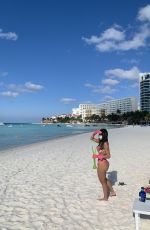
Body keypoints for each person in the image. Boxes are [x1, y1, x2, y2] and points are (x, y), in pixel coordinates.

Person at [90, 128, 116, 201]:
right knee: (104, 179)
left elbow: (109, 155)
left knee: (102, 181)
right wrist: (95, 132)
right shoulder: (100, 142)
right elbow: (91, 138)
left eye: (100, 134)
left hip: (103, 163)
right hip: (101, 163)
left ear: (103, 135)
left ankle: (105, 198)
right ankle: (113, 192)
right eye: (99, 134)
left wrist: (97, 156)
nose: (99, 135)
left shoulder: (105, 143)